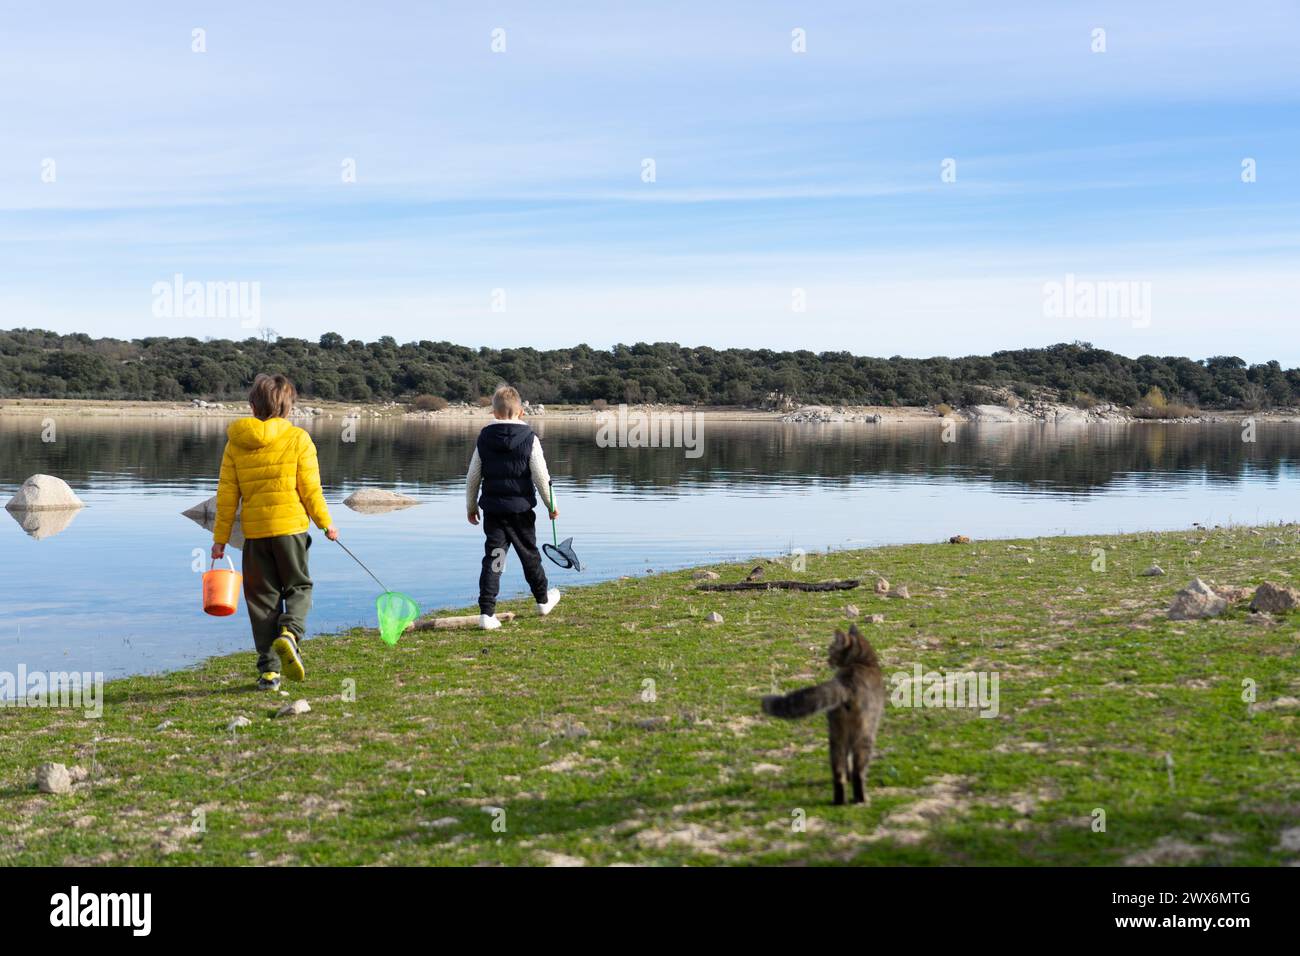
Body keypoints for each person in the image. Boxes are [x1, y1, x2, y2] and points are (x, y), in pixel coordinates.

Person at [212, 373, 338, 690]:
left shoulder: (235, 443)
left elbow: (226, 497)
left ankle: (269, 672)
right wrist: (325, 523)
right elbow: (310, 490)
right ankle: (290, 633)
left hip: (254, 535)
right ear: (288, 407)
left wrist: (220, 540)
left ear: (252, 405)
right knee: (298, 587)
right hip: (291, 530)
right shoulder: (298, 439)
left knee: (262, 602)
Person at [466, 384, 561, 629]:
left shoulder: (484, 438)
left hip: (494, 512)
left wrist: (471, 506)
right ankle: (542, 600)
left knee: (495, 558)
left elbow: (472, 477)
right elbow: (541, 476)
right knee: (529, 555)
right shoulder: (529, 438)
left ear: (494, 413)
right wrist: (551, 504)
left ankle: (487, 613)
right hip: (520, 512)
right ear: (521, 412)